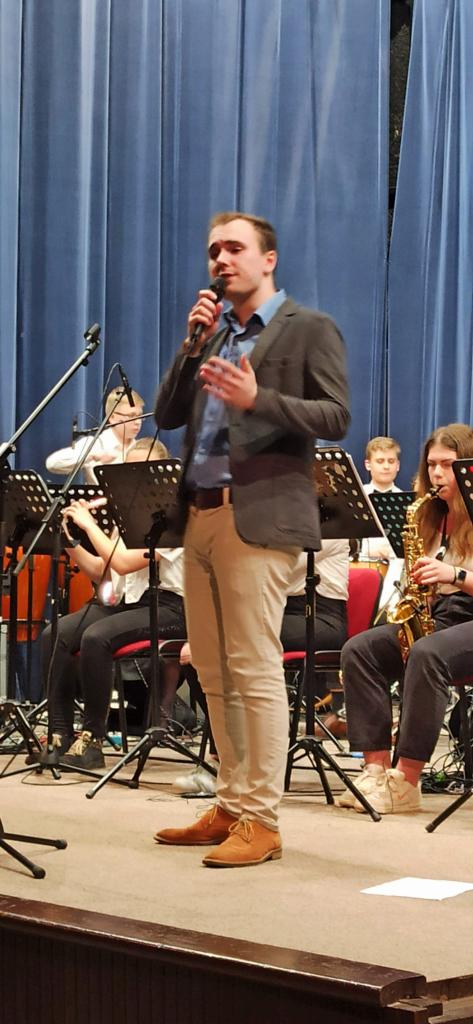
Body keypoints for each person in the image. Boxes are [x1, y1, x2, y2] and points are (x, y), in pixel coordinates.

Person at [153, 210, 350, 867]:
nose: (221, 259)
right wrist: (190, 347)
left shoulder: (307, 327)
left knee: (253, 667)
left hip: (257, 515)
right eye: (214, 250)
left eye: (234, 248)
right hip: (200, 516)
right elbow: (167, 415)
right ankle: (231, 802)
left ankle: (261, 820)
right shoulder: (211, 335)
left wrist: (256, 398)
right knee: (211, 669)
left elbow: (336, 415)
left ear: (268, 259)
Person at [339, 422, 473, 815]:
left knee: (427, 653)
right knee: (360, 650)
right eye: (432, 464)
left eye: (447, 465)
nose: (437, 473)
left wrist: (455, 575)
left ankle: (406, 780)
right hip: (441, 615)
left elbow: (454, 576)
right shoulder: (430, 515)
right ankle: (376, 770)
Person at [37, 437, 185, 769]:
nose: (131, 478)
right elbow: (101, 571)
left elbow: (123, 562)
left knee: (97, 637)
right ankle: (60, 734)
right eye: (126, 470)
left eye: (141, 470)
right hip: (129, 605)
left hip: (171, 607)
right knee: (55, 633)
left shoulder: (172, 515)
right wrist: (68, 538)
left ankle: (93, 740)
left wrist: (90, 525)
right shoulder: (126, 515)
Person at [45, 387, 144, 484]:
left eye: (140, 416)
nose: (138, 422)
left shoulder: (142, 447)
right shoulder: (95, 444)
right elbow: (52, 464)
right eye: (131, 416)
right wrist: (91, 456)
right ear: (112, 417)